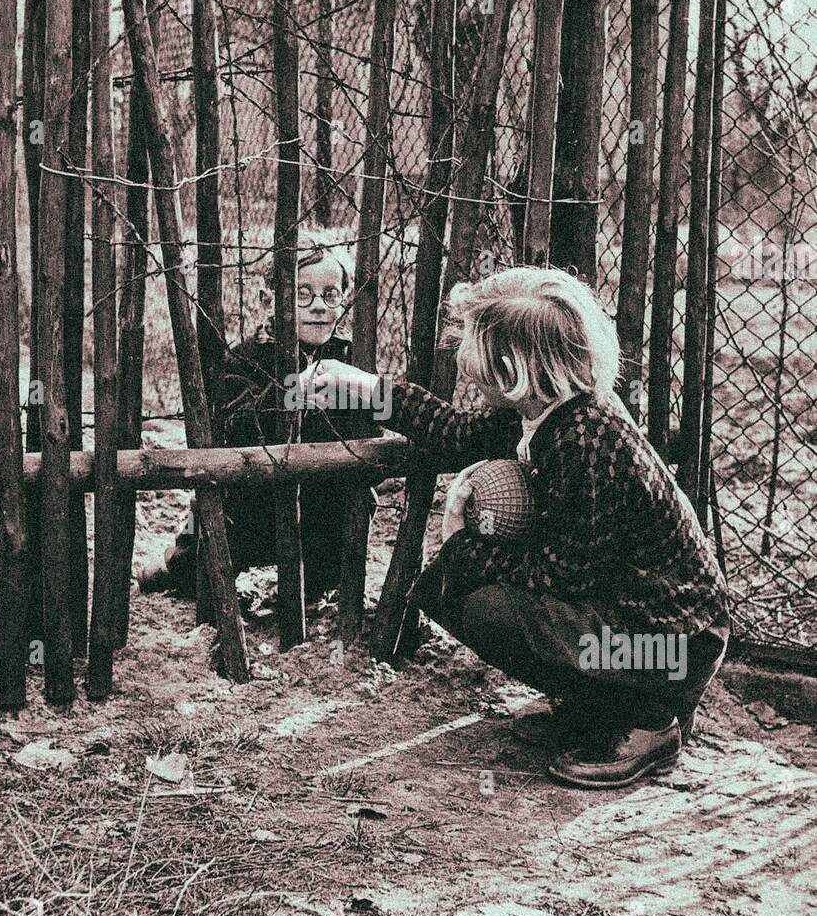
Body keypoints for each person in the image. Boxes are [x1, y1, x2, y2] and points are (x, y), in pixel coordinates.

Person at [300, 266, 730, 789]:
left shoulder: (586, 439)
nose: (466, 366)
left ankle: (647, 722)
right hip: (637, 624)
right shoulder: (546, 407)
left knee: (490, 608)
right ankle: (598, 710)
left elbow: (562, 574)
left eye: (476, 351)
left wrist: (462, 544)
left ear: (510, 367)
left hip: (674, 645)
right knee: (458, 590)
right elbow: (455, 434)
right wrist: (368, 390)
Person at [140, 233, 375, 604]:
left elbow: (371, 432)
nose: (318, 307)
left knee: (355, 500)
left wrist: (361, 399)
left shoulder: (349, 362)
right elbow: (236, 427)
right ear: (269, 301)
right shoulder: (245, 359)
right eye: (302, 294)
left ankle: (311, 584)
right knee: (201, 567)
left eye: (330, 295)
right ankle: (179, 565)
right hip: (252, 502)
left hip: (317, 502)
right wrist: (292, 390)